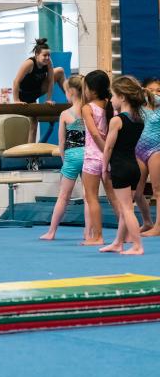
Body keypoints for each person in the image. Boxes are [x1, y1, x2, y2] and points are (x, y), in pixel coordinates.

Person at [99, 76, 146, 255]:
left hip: (120, 167)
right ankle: (118, 242)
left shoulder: (117, 120)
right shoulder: (138, 120)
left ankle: (137, 245)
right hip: (134, 167)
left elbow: (109, 147)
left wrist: (104, 168)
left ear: (123, 97)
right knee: (127, 207)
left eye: (113, 96)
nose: (111, 100)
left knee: (126, 209)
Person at [39, 75, 89, 240]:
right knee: (89, 197)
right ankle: (88, 233)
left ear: (71, 92)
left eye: (66, 91)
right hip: (89, 155)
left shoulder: (65, 114)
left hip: (72, 156)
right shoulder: (91, 111)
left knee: (63, 196)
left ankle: (51, 232)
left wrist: (64, 160)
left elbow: (61, 142)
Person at [80, 70, 117, 246]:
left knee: (92, 198)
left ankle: (98, 236)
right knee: (115, 198)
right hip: (109, 158)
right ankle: (125, 234)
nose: (84, 91)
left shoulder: (87, 108)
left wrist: (104, 153)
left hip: (93, 158)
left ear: (92, 90)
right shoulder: (111, 105)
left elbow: (94, 135)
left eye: (85, 87)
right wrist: (109, 155)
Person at [13, 38, 67, 142]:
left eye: (49, 55)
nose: (47, 58)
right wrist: (16, 100)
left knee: (59, 71)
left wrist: (49, 99)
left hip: (36, 91)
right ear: (37, 55)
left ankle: (71, 97)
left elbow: (51, 81)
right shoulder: (29, 63)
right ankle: (30, 151)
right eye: (44, 55)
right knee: (33, 123)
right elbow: (16, 82)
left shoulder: (48, 62)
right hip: (24, 95)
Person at [136, 77, 160, 235]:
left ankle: (158, 227)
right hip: (138, 150)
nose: (155, 93)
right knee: (136, 191)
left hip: (156, 150)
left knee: (157, 190)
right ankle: (147, 222)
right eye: (151, 90)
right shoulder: (139, 107)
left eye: (158, 90)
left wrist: (151, 94)